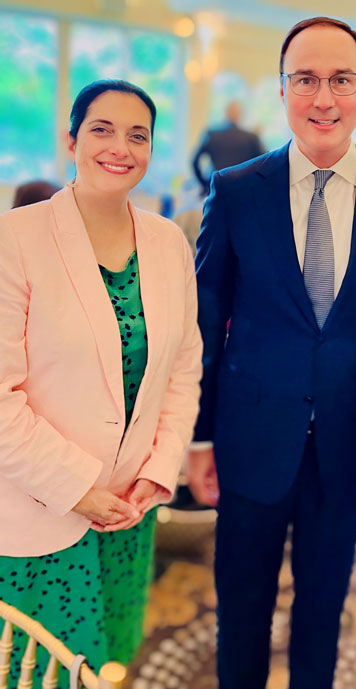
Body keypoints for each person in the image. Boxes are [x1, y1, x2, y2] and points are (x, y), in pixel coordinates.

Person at [187, 16, 356, 689]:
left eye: (341, 80)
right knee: (241, 609)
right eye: (307, 79)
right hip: (250, 438)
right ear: (284, 89)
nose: (324, 98)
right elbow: (206, 327)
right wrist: (200, 437)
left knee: (322, 612)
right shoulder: (235, 191)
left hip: (350, 448)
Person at [0, 79, 203, 687]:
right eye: (102, 129)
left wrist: (158, 470)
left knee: (107, 658)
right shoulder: (16, 239)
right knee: (36, 670)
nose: (121, 147)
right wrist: (78, 487)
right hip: (37, 509)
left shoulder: (168, 242)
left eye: (137, 135)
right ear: (70, 139)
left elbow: (183, 368)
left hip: (127, 512)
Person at [192, 100, 265, 193]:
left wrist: (204, 184)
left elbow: (194, 161)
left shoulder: (212, 135)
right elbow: (264, 164)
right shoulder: (251, 138)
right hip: (243, 189)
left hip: (216, 188)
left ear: (226, 113)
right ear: (240, 115)